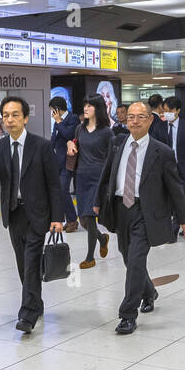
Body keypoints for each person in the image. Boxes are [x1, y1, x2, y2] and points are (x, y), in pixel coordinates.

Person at [94, 102, 185, 335]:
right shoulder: (117, 143)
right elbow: (106, 175)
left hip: (144, 211)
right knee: (129, 259)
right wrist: (98, 202)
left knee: (136, 261)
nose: (134, 121)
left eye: (140, 117)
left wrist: (184, 219)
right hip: (120, 209)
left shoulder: (162, 152)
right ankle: (149, 292)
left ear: (150, 120)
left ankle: (128, 314)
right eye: (130, 117)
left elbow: (175, 188)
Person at [0, 95, 64, 333]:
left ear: (25, 118)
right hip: (13, 214)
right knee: (23, 263)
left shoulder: (42, 146)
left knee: (32, 260)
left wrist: (57, 217)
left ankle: (28, 313)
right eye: (5, 116)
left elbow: (55, 184)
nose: (9, 120)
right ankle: (36, 301)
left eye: (15, 115)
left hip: (37, 214)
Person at [66, 94, 112, 270]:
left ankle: (90, 257)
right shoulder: (80, 128)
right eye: (85, 105)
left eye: (90, 106)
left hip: (98, 178)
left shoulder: (106, 132)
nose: (85, 108)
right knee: (83, 219)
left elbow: (111, 156)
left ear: (98, 109)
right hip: (81, 177)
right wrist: (69, 143)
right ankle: (102, 238)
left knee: (90, 217)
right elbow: (74, 144)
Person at [48, 96, 79, 233]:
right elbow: (54, 138)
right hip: (57, 161)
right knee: (59, 191)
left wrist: (59, 121)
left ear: (57, 110)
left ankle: (72, 220)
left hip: (68, 161)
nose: (52, 114)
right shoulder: (57, 121)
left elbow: (69, 134)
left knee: (62, 190)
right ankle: (71, 220)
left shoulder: (73, 118)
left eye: (52, 110)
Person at [155, 97, 185, 187]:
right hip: (164, 169)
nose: (167, 113)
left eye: (170, 111)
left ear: (178, 110)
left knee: (181, 197)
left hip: (183, 168)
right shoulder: (159, 127)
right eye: (165, 110)